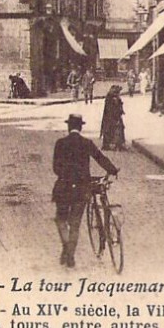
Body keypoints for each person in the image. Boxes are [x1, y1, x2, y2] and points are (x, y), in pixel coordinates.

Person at [52, 113, 119, 268]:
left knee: (61, 220)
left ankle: (66, 247)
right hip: (81, 189)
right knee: (75, 223)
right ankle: (70, 255)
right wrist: (113, 170)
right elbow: (100, 158)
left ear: (68, 127)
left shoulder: (60, 143)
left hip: (63, 188)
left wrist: (66, 175)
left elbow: (56, 168)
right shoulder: (87, 143)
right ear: (80, 127)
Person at [100, 85, 126, 150]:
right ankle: (116, 144)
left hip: (110, 116)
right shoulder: (113, 98)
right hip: (112, 116)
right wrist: (119, 112)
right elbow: (114, 108)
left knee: (110, 129)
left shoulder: (111, 97)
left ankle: (114, 144)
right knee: (115, 129)